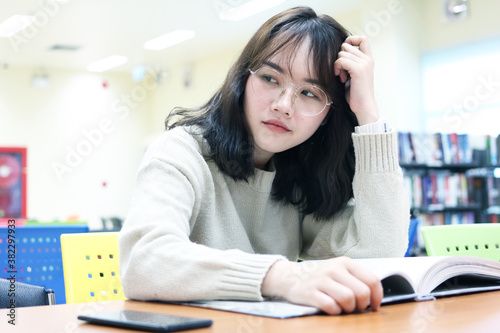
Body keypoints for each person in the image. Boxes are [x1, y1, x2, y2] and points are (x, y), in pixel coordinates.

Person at [119, 6, 410, 315]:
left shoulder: (296, 175)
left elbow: (381, 253)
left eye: (310, 93)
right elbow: (144, 261)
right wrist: (282, 276)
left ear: (327, 116)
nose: (284, 105)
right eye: (270, 78)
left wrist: (367, 114)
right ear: (243, 80)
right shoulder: (181, 151)